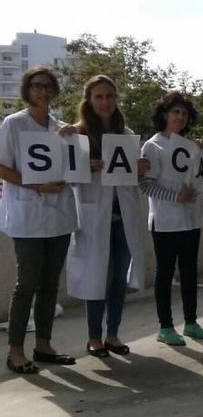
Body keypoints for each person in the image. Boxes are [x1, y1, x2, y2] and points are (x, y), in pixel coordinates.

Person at [65, 75, 149, 357]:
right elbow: (66, 177)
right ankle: (94, 337)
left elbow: (133, 180)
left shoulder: (125, 135)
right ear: (88, 100)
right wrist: (84, 167)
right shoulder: (75, 135)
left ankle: (113, 333)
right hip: (93, 215)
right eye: (99, 97)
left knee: (118, 280)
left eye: (109, 96)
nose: (105, 102)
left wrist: (140, 168)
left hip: (123, 216)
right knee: (96, 276)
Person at [0, 67, 77, 373]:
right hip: (27, 215)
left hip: (58, 216)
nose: (42, 91)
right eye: (36, 86)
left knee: (50, 284)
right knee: (27, 283)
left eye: (47, 86)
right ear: (27, 90)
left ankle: (43, 345)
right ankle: (15, 351)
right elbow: (2, 167)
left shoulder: (60, 128)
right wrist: (36, 186)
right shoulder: (14, 124)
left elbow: (73, 166)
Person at [140, 91, 203, 345]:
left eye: (184, 113)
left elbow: (200, 176)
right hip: (164, 222)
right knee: (165, 274)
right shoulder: (153, 145)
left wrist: (202, 153)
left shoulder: (190, 146)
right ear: (164, 115)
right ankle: (165, 326)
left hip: (191, 220)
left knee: (190, 272)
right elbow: (146, 185)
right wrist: (175, 198)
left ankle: (191, 322)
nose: (180, 117)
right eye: (175, 112)